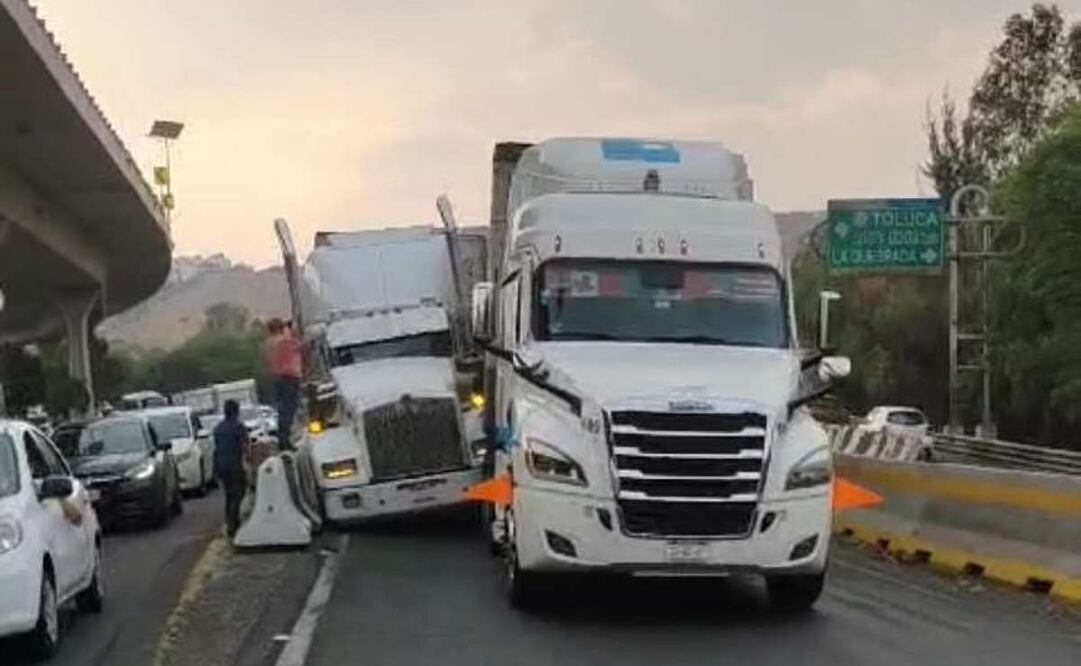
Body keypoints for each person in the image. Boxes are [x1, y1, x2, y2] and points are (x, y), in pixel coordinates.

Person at [213, 399, 249, 538]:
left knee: (228, 495)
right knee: (238, 493)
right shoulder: (239, 427)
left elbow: (217, 448)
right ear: (237, 411)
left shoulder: (218, 428)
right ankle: (233, 525)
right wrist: (249, 461)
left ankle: (229, 522)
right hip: (235, 465)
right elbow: (245, 447)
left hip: (221, 466)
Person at [265, 318, 303, 450]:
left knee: (282, 409)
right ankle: (285, 440)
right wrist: (291, 331)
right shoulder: (284, 340)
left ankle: (283, 438)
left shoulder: (269, 342)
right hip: (289, 377)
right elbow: (302, 346)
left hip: (276, 378)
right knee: (289, 408)